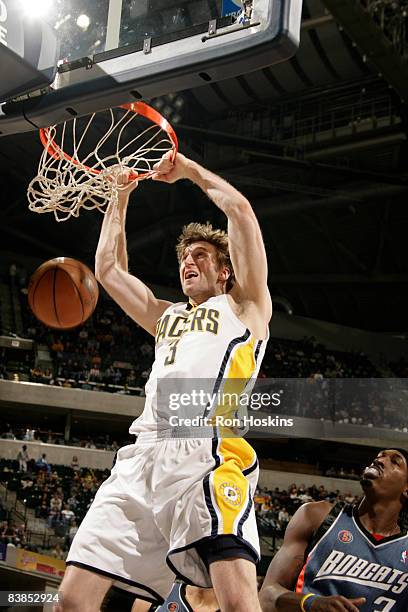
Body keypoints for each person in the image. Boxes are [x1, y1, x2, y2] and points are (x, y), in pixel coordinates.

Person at [57, 151, 271, 612]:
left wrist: (191, 170)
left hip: (206, 454)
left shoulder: (245, 307)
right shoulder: (167, 317)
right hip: (141, 460)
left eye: (201, 256)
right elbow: (110, 271)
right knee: (70, 601)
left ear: (225, 270)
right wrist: (119, 197)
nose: (189, 262)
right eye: (184, 257)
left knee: (237, 604)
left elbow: (241, 212)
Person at [259, 448, 408, 611]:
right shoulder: (317, 516)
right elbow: (266, 596)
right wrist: (312, 603)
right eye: (379, 457)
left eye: (395, 461)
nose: (379, 461)